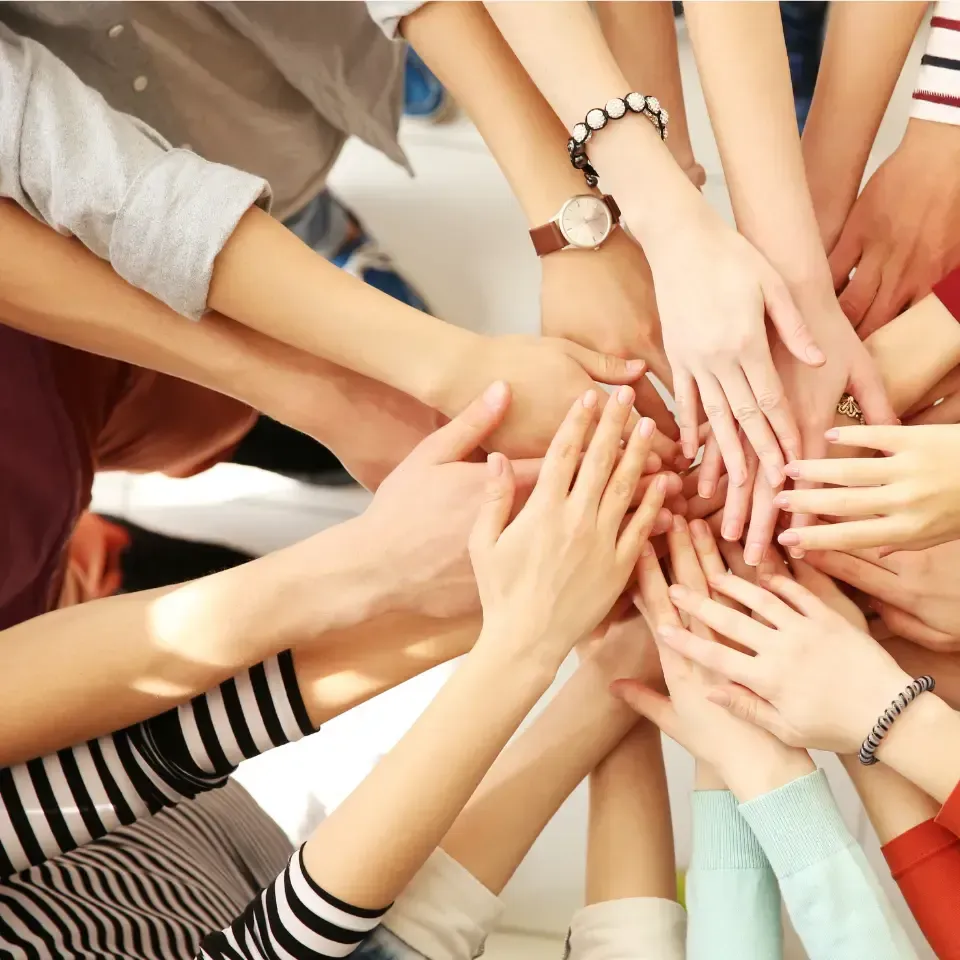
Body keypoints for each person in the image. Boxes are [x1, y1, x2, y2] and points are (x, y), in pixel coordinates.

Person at [0, 387, 669, 958]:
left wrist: (445, 602)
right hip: (284, 900)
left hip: (190, 848)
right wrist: (525, 638)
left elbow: (99, 774)